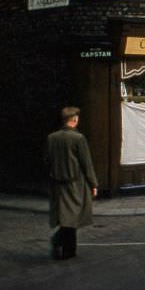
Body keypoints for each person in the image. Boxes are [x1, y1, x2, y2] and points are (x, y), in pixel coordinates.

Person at [45, 106, 98, 261]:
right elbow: (86, 164)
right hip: (74, 183)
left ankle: (69, 250)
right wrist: (93, 183)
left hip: (57, 183)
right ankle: (60, 241)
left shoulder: (51, 138)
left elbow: (46, 161)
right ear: (74, 120)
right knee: (72, 216)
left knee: (66, 216)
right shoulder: (78, 139)